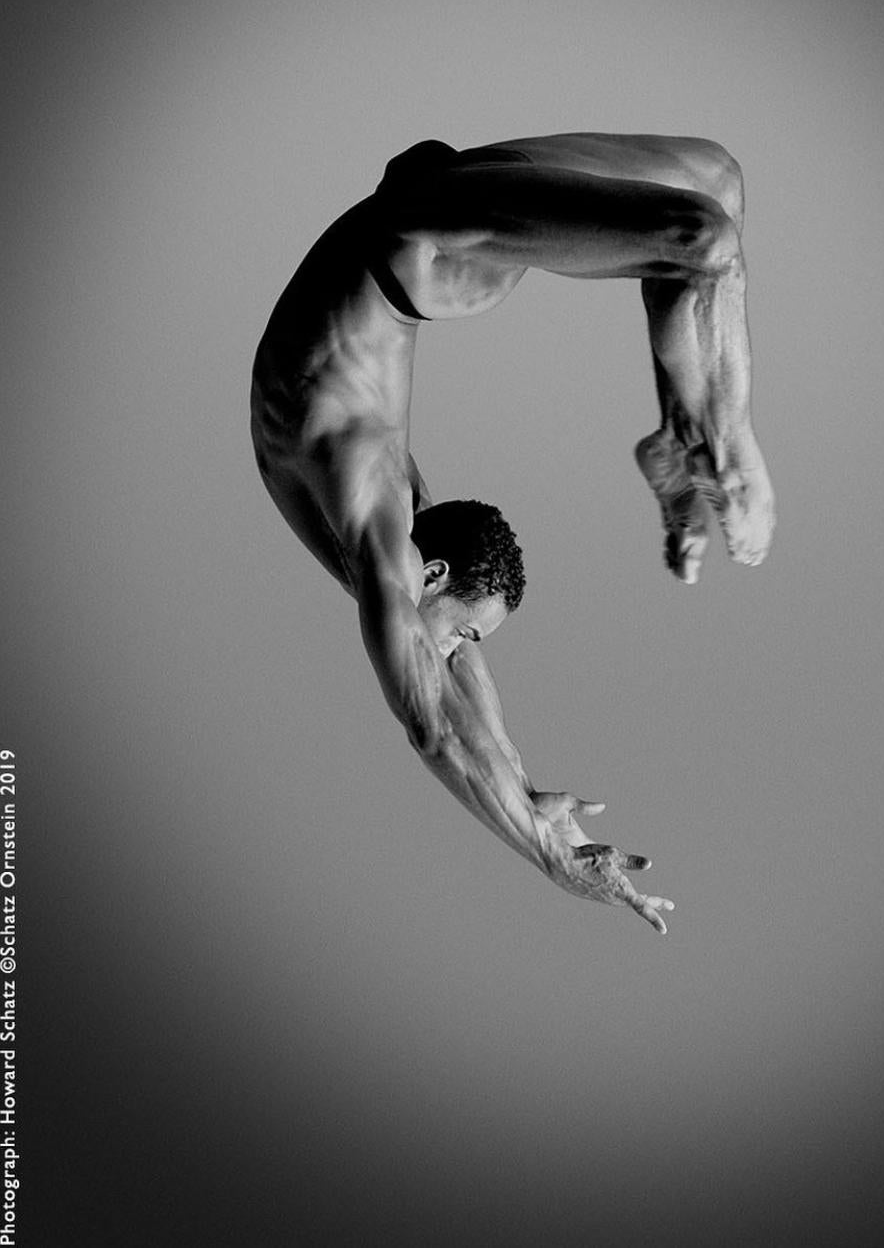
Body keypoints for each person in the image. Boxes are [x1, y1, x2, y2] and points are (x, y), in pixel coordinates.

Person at [250, 133, 775, 935]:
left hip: (419, 242)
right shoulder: (396, 529)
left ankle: (709, 445)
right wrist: (526, 797)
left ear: (429, 573)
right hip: (421, 220)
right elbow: (455, 684)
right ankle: (685, 435)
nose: (459, 648)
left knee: (702, 240)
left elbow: (433, 723)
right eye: (466, 632)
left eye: (461, 630)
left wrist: (548, 854)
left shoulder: (376, 522)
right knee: (719, 179)